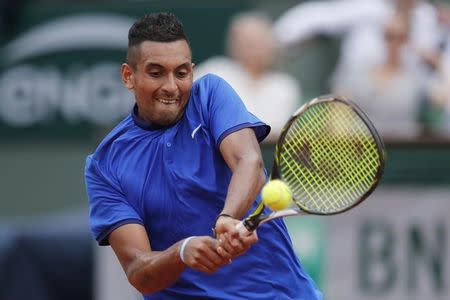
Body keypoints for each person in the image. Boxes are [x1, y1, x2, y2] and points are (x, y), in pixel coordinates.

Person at [85, 12, 322, 299]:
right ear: (128, 76)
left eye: (181, 73)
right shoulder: (105, 165)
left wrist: (228, 217)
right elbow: (139, 272)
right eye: (156, 72)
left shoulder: (210, 94)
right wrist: (181, 253)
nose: (171, 86)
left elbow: (248, 162)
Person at [194, 12, 301, 143]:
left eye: (262, 42)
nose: (256, 50)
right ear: (233, 45)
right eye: (249, 43)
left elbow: (279, 133)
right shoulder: (213, 71)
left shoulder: (285, 86)